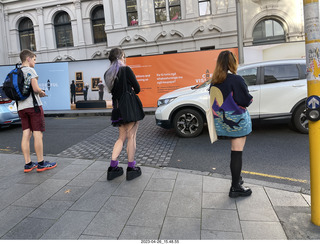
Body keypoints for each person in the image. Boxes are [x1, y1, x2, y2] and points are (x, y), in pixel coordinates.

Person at [210, 50, 252, 198]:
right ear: (232, 63)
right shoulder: (236, 79)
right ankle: (235, 187)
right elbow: (245, 100)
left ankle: (237, 179)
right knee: (237, 151)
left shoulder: (214, 81)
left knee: (235, 151)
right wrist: (250, 99)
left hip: (221, 123)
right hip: (237, 122)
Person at [104, 47, 142, 181]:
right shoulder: (126, 70)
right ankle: (131, 168)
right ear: (120, 57)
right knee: (131, 137)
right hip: (129, 108)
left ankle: (113, 167)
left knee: (121, 137)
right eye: (124, 56)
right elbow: (137, 89)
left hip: (117, 108)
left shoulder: (108, 74)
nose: (125, 58)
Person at [18, 49, 57, 173]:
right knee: (38, 134)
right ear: (28, 59)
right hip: (33, 107)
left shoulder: (17, 71)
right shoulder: (30, 70)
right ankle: (41, 163)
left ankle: (28, 164)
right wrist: (41, 92)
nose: (35, 62)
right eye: (34, 59)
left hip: (21, 107)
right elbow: (35, 89)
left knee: (26, 134)